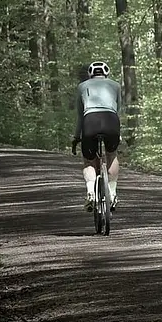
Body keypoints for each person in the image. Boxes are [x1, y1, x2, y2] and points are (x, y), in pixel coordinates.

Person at [71, 61, 122, 212]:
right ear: (106, 73)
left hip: (90, 122)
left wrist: (76, 137)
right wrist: (118, 134)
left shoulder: (82, 87)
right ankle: (112, 193)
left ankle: (91, 191)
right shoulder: (116, 85)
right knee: (111, 154)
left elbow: (80, 116)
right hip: (111, 121)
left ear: (90, 74)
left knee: (89, 160)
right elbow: (118, 111)